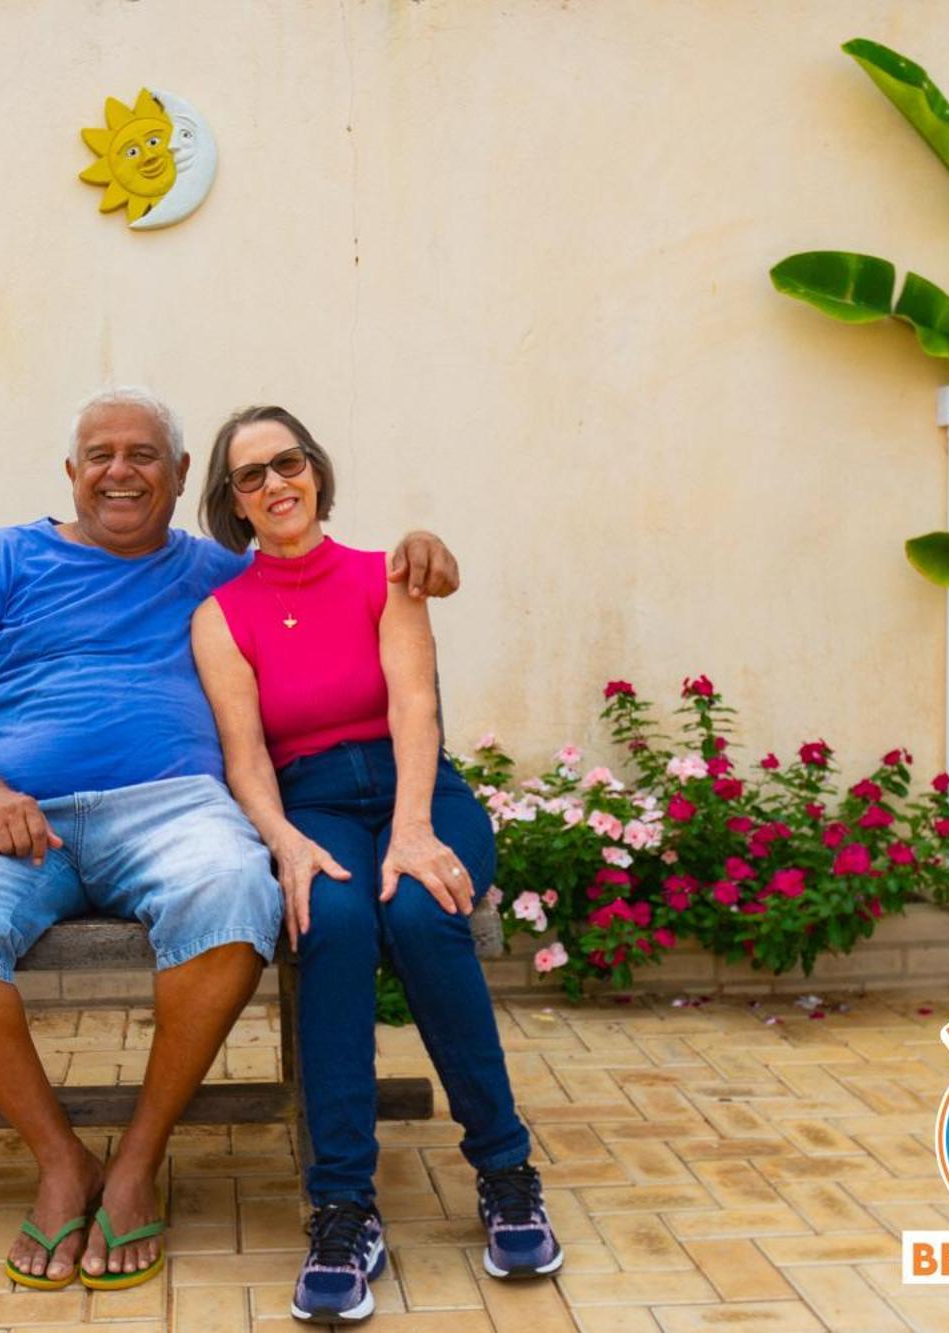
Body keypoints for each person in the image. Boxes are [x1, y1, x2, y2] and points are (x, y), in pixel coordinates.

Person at [0, 388, 460, 1293]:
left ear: (185, 476)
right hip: (15, 814)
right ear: (71, 472)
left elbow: (313, 561)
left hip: (172, 809)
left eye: (144, 454)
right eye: (100, 454)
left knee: (236, 889)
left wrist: (417, 548)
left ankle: (138, 1158)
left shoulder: (220, 571)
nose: (121, 471)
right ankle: (61, 1158)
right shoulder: (4, 558)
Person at [189, 405, 561, 1324]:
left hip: (419, 788)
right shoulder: (220, 614)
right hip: (310, 805)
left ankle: (508, 1173)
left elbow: (416, 710)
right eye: (251, 476)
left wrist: (412, 828)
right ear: (233, 504)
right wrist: (282, 840)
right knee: (335, 923)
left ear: (315, 470)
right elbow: (245, 758)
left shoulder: (382, 578)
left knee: (427, 914)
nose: (276, 483)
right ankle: (344, 1208)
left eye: (289, 462)